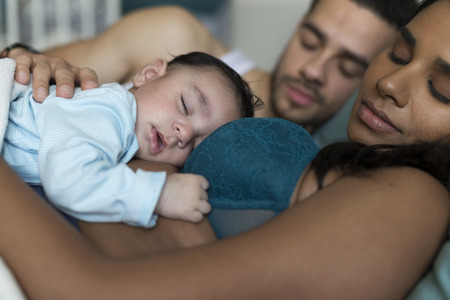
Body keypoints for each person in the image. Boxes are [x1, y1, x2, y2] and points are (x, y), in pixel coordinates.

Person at [0, 0, 450, 299]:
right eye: (398, 53)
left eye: (443, 88)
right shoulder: (187, 50)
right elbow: (30, 71)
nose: (390, 83)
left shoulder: (408, 195)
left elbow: (92, 289)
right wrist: (29, 61)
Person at [4, 0, 418, 146]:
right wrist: (25, 58)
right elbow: (24, 64)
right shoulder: (175, 35)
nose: (313, 70)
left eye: (347, 65)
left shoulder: (314, 168)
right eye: (310, 40)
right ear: (296, 28)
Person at [1, 51, 259, 228]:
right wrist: (159, 194)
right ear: (148, 74)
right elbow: (70, 179)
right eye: (184, 105)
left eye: (196, 145)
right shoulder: (112, 109)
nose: (185, 133)